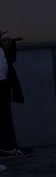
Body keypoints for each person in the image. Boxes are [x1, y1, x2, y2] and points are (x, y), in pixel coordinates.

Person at [0, 31, 32, 160]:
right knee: (3, 117)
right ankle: (8, 148)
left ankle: (8, 147)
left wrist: (8, 48)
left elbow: (10, 60)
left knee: (5, 117)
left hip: (4, 83)